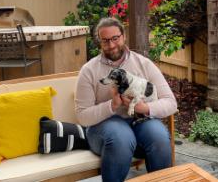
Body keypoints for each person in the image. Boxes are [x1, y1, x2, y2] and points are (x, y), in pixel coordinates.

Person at [74, 17, 178, 182]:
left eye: (115, 38)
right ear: (99, 42)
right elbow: (82, 116)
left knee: (158, 136)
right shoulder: (89, 71)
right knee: (121, 137)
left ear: (123, 37)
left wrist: (144, 109)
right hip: (102, 128)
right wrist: (112, 105)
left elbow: (171, 102)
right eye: (105, 40)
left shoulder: (143, 64)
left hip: (140, 121)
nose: (112, 45)